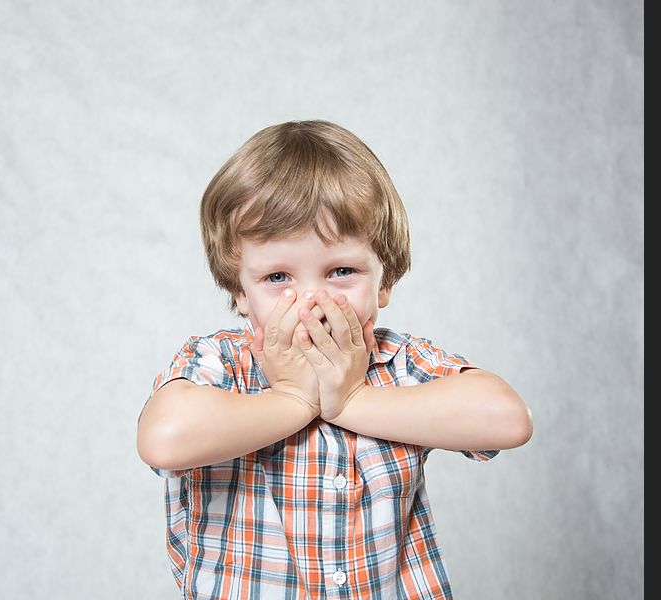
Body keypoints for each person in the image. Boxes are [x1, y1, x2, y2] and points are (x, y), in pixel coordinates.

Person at [136, 120, 533, 599]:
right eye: (278, 277)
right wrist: (294, 398)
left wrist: (350, 400)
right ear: (240, 291)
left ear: (383, 281)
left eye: (341, 271)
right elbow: (164, 438)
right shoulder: (220, 364)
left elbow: (507, 420)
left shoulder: (396, 364)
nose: (311, 300)